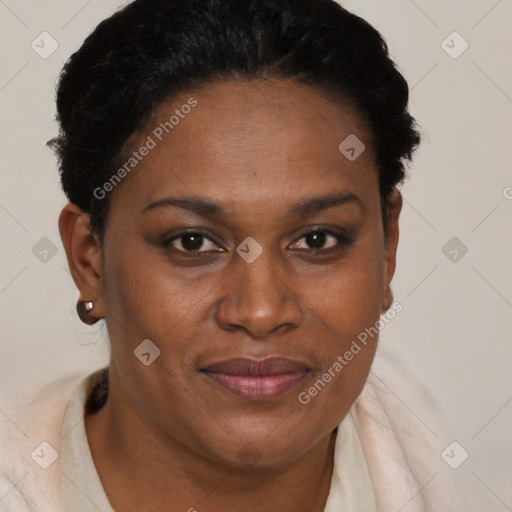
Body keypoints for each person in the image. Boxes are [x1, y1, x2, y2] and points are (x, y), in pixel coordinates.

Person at [0, 0, 466, 510]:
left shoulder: (456, 475)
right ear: (90, 259)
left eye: (317, 240)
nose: (261, 311)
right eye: (193, 242)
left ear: (387, 248)